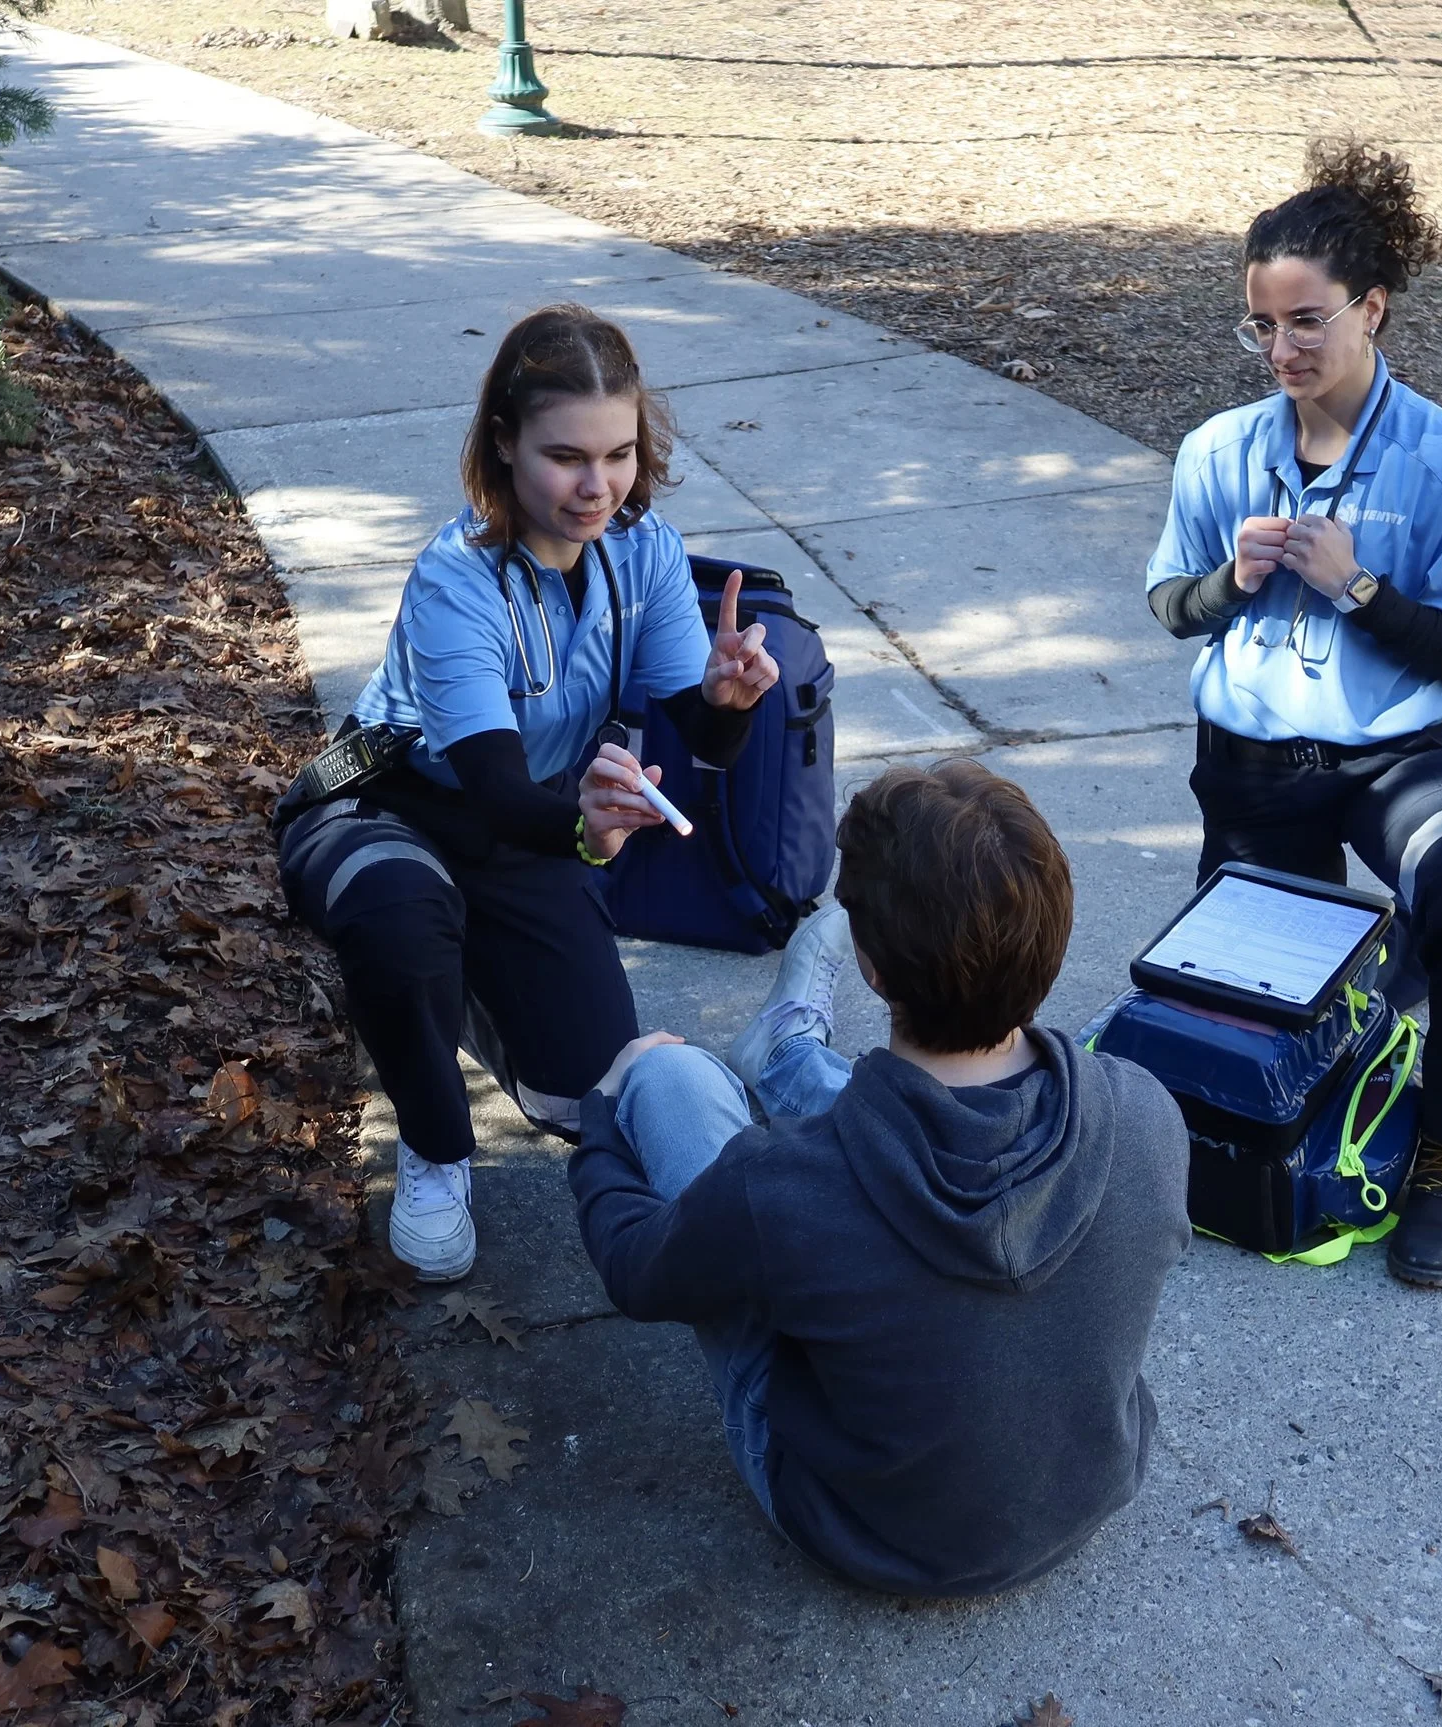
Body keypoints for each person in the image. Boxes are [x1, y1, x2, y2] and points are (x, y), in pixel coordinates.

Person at [566, 761, 1191, 1597]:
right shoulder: (1145, 1112)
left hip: (861, 1529)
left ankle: (778, 1051)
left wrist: (600, 1122)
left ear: (871, 967)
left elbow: (639, 1271)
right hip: (1081, 1494)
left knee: (673, 1081)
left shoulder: (785, 1186)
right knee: (913, 1123)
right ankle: (789, 1054)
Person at [276, 305, 779, 1283]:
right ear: (501, 443)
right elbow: (498, 788)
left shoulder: (644, 551)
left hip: (523, 830)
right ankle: (434, 1144)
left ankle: (450, 979)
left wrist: (731, 698)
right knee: (399, 914)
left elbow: (699, 730)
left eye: (619, 454)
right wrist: (587, 838)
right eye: (565, 456)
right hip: (386, 806)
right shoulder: (455, 579)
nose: (597, 487)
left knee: (582, 1092)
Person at [1143, 140, 1442, 1291]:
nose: (1282, 350)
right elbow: (1174, 607)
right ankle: (1381, 965)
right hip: (1254, 768)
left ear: (1372, 307)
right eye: (1260, 326)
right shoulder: (1219, 451)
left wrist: (1357, 588)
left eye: (1308, 322)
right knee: (1253, 1024)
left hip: (1401, 756)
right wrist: (1230, 581)